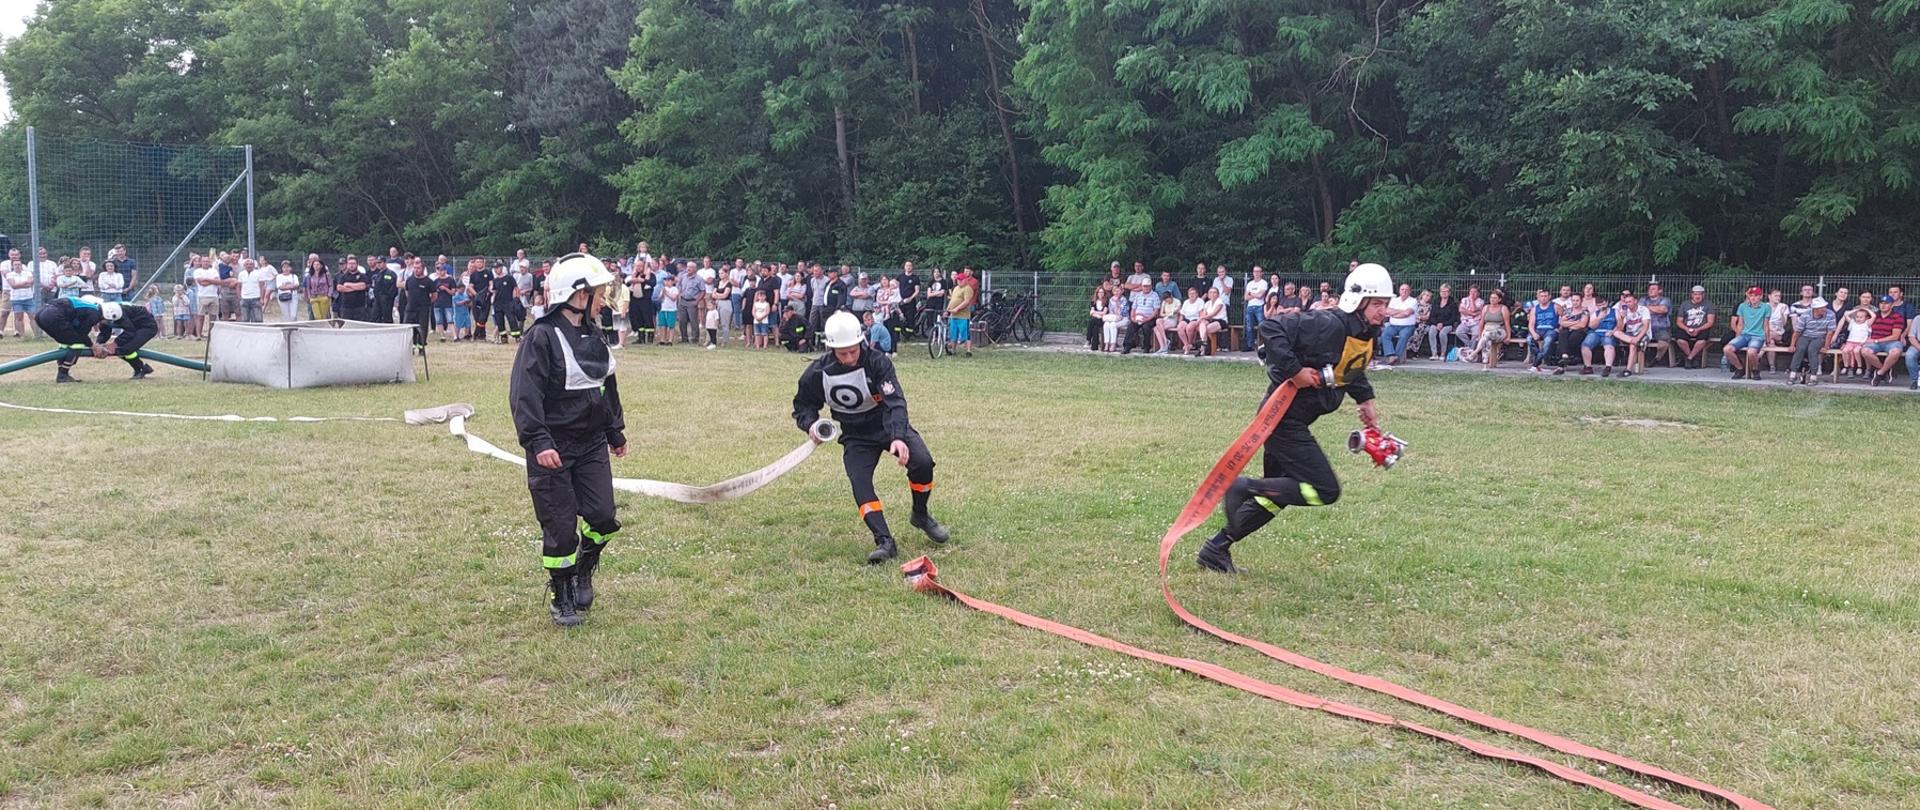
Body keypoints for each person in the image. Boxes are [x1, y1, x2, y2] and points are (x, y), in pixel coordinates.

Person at [1195, 263, 1391, 573]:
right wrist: (1295, 372)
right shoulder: (1330, 324)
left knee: (1279, 494)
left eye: (1386, 303)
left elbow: (1348, 367)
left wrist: (1364, 398)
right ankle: (1244, 487)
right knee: (1324, 490)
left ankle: (1216, 550)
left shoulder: (1364, 332)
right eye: (1378, 303)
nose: (1384, 310)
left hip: (1292, 420)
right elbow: (1272, 329)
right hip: (1283, 420)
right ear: (1359, 301)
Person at [509, 254, 628, 628]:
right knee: (560, 529)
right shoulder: (540, 337)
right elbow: (524, 395)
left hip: (591, 443)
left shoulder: (593, 333)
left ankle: (584, 569)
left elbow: (604, 386)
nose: (604, 296)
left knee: (603, 517)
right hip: (552, 449)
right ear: (577, 294)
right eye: (598, 290)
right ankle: (561, 591)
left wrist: (614, 431)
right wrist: (538, 442)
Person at [793, 311, 949, 564]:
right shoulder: (818, 372)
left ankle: (920, 514)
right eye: (842, 353)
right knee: (860, 483)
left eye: (853, 351)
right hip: (855, 435)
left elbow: (896, 402)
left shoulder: (878, 362)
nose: (849, 358)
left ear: (861, 342)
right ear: (832, 349)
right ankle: (884, 542)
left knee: (922, 462)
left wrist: (898, 437)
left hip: (887, 426)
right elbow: (802, 406)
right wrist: (811, 425)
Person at [33, 294, 105, 383]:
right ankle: (63, 375)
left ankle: (62, 372)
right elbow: (82, 334)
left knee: (67, 341)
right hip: (53, 315)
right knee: (77, 343)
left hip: (41, 314)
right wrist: (93, 346)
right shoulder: (94, 312)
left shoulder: (80, 306)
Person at [94, 298, 160, 379]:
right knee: (120, 350)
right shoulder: (106, 312)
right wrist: (97, 344)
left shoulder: (119, 314)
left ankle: (140, 369)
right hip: (135, 327)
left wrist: (115, 343)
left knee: (126, 349)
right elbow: (105, 333)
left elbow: (130, 332)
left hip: (147, 327)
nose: (103, 322)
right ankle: (142, 368)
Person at [1726, 286, 1771, 380]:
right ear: (1748, 296)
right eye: (1751, 295)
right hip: (1744, 334)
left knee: (1751, 352)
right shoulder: (1742, 306)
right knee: (1727, 349)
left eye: (1756, 295)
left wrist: (1767, 339)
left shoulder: (1766, 307)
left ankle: (1755, 369)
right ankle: (1740, 368)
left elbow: (1766, 325)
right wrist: (1737, 337)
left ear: (1761, 296)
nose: (1753, 298)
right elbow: (1740, 324)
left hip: (1758, 336)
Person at [1788, 297, 1835, 385]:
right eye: (1822, 307)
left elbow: (1830, 332)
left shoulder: (1830, 314)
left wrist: (1826, 346)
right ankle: (1793, 374)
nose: (1824, 309)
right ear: (1815, 309)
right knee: (1800, 349)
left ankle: (1814, 376)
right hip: (1805, 336)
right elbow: (1797, 331)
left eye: (1825, 306)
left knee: (1812, 349)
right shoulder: (1805, 315)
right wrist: (1792, 345)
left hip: (1820, 336)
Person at [1866, 295, 1908, 385]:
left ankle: (1879, 373)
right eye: (1881, 303)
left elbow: (1895, 336)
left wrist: (1877, 341)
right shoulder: (1874, 315)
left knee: (1896, 352)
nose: (1883, 305)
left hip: (1891, 342)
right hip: (1874, 342)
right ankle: (1884, 371)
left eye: (1886, 303)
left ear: (1892, 305)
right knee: (1865, 351)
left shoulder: (1897, 317)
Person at [1611, 290, 1652, 378]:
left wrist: (1637, 338)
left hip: (1642, 334)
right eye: (1626, 302)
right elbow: (1620, 328)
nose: (1628, 304)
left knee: (1632, 345)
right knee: (1615, 332)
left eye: (1630, 301)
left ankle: (1628, 369)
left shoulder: (1643, 310)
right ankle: (1633, 341)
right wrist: (1621, 318)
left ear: (1635, 301)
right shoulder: (1625, 311)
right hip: (1630, 335)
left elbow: (1646, 327)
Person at [1673, 287, 1716, 369]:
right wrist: (1686, 329)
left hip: (1702, 328)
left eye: (1700, 294)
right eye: (1695, 294)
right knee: (1680, 340)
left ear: (1703, 295)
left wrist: (1698, 329)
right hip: (1687, 327)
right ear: (1691, 295)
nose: (1697, 296)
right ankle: (1693, 357)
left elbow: (1710, 322)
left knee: (1702, 341)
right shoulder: (1685, 304)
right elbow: (1679, 321)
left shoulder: (1708, 305)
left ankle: (1689, 358)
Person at [1552, 292, 1589, 374]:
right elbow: (1561, 322)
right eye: (1573, 300)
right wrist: (1576, 322)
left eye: (1577, 300)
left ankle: (1562, 364)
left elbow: (1582, 325)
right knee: (1562, 333)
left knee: (1570, 338)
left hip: (1579, 332)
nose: (1575, 302)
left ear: (1581, 301)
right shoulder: (1568, 310)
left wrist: (1569, 323)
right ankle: (1565, 357)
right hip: (1567, 331)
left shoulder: (1584, 311)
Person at [1381, 283, 1418, 365]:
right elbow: (1388, 311)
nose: (1404, 291)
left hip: (1408, 326)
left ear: (1409, 291)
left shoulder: (1413, 301)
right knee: (1385, 335)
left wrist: (1394, 313)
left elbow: (1407, 313)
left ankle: (1396, 357)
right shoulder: (1394, 300)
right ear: (1399, 291)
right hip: (1393, 326)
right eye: (1402, 289)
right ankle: (1391, 355)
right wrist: (1402, 311)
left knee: (1403, 336)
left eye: (1406, 290)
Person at [403, 258, 435, 354]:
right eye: (415, 268)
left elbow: (434, 295)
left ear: (423, 269)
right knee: (408, 329)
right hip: (410, 309)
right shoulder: (409, 280)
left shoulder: (428, 281)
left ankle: (421, 348)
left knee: (422, 329)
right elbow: (407, 292)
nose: (416, 270)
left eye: (418, 268)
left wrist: (427, 303)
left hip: (423, 310)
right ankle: (410, 348)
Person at [1525, 288, 1559, 373]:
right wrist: (1533, 333)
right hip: (1538, 329)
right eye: (1541, 296)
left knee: (1548, 341)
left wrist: (1560, 328)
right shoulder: (1535, 309)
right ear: (1538, 297)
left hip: (1550, 330)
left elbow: (1564, 318)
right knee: (1529, 339)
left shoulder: (1555, 306)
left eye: (1545, 296)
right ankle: (1539, 358)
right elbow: (1531, 324)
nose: (1543, 298)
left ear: (1549, 297)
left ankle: (1535, 364)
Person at [946, 267, 977, 357]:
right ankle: (953, 350)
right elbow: (952, 300)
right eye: (957, 280)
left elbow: (967, 301)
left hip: (963, 316)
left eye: (960, 280)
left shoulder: (967, 288)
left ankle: (968, 351)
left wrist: (957, 309)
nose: (958, 281)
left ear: (964, 280)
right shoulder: (955, 288)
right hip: (953, 315)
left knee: (965, 334)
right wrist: (948, 310)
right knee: (953, 333)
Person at [1426, 284, 1458, 360]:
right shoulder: (1436, 301)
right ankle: (1434, 353)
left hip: (1448, 324)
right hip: (1436, 323)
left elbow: (1454, 318)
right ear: (1440, 292)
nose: (1444, 293)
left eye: (1446, 291)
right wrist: (1437, 324)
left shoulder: (1453, 303)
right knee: (1431, 331)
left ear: (1449, 292)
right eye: (1442, 291)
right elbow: (1432, 316)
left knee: (1442, 333)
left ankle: (1443, 353)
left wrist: (1443, 324)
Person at [369, 256, 400, 324]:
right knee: (374, 317)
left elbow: (394, 289)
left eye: (380, 262)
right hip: (377, 300)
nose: (378, 264)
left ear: (385, 263)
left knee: (387, 318)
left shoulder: (391, 274)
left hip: (387, 301)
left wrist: (388, 298)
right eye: (377, 263)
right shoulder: (377, 275)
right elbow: (375, 288)